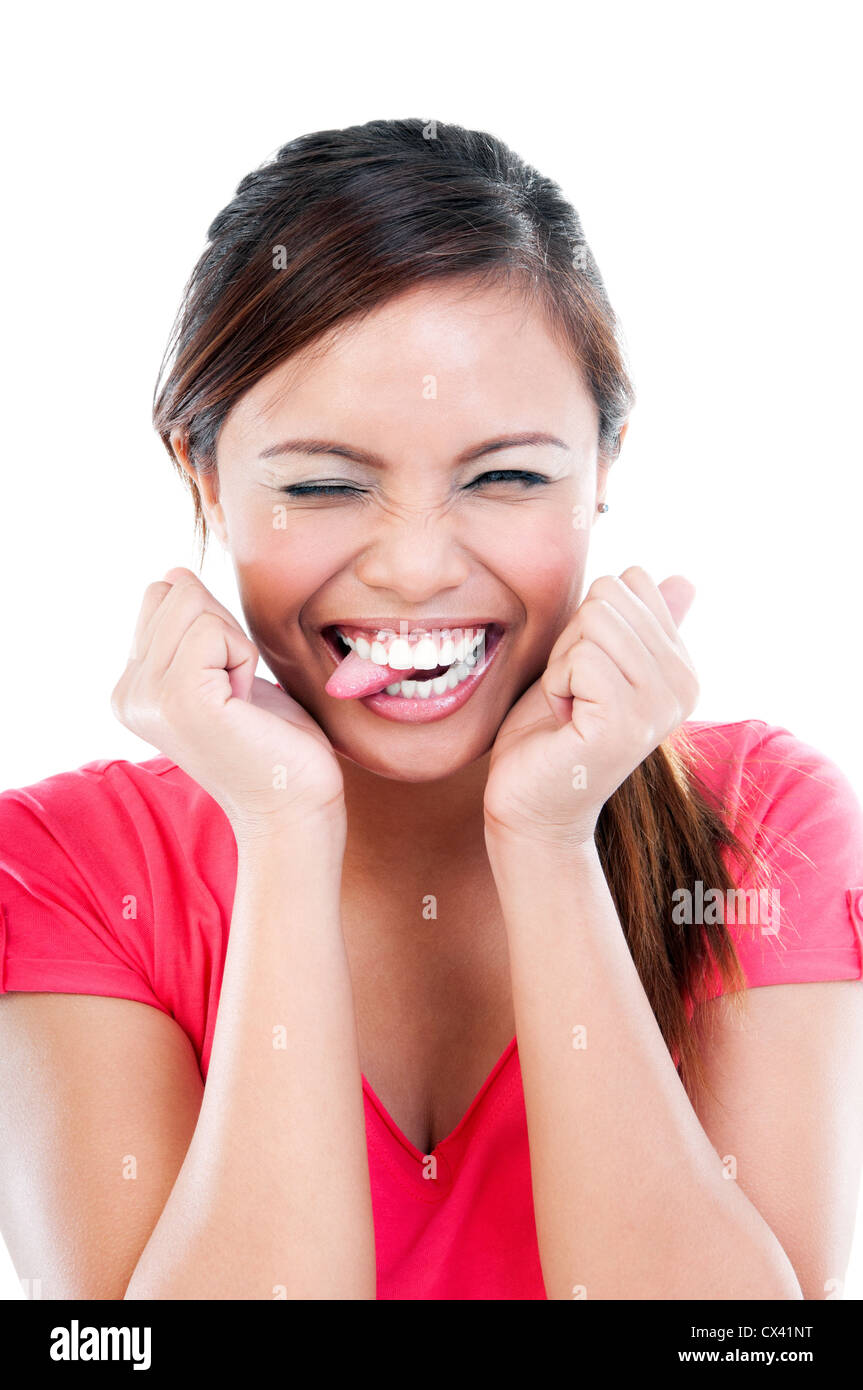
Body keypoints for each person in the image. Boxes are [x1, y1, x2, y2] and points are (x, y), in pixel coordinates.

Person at [1, 119, 862, 1301]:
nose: (413, 569)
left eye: (504, 476)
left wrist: (551, 841)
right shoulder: (67, 867)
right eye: (322, 483)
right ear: (202, 476)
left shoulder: (763, 822)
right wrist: (284, 833)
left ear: (603, 467)